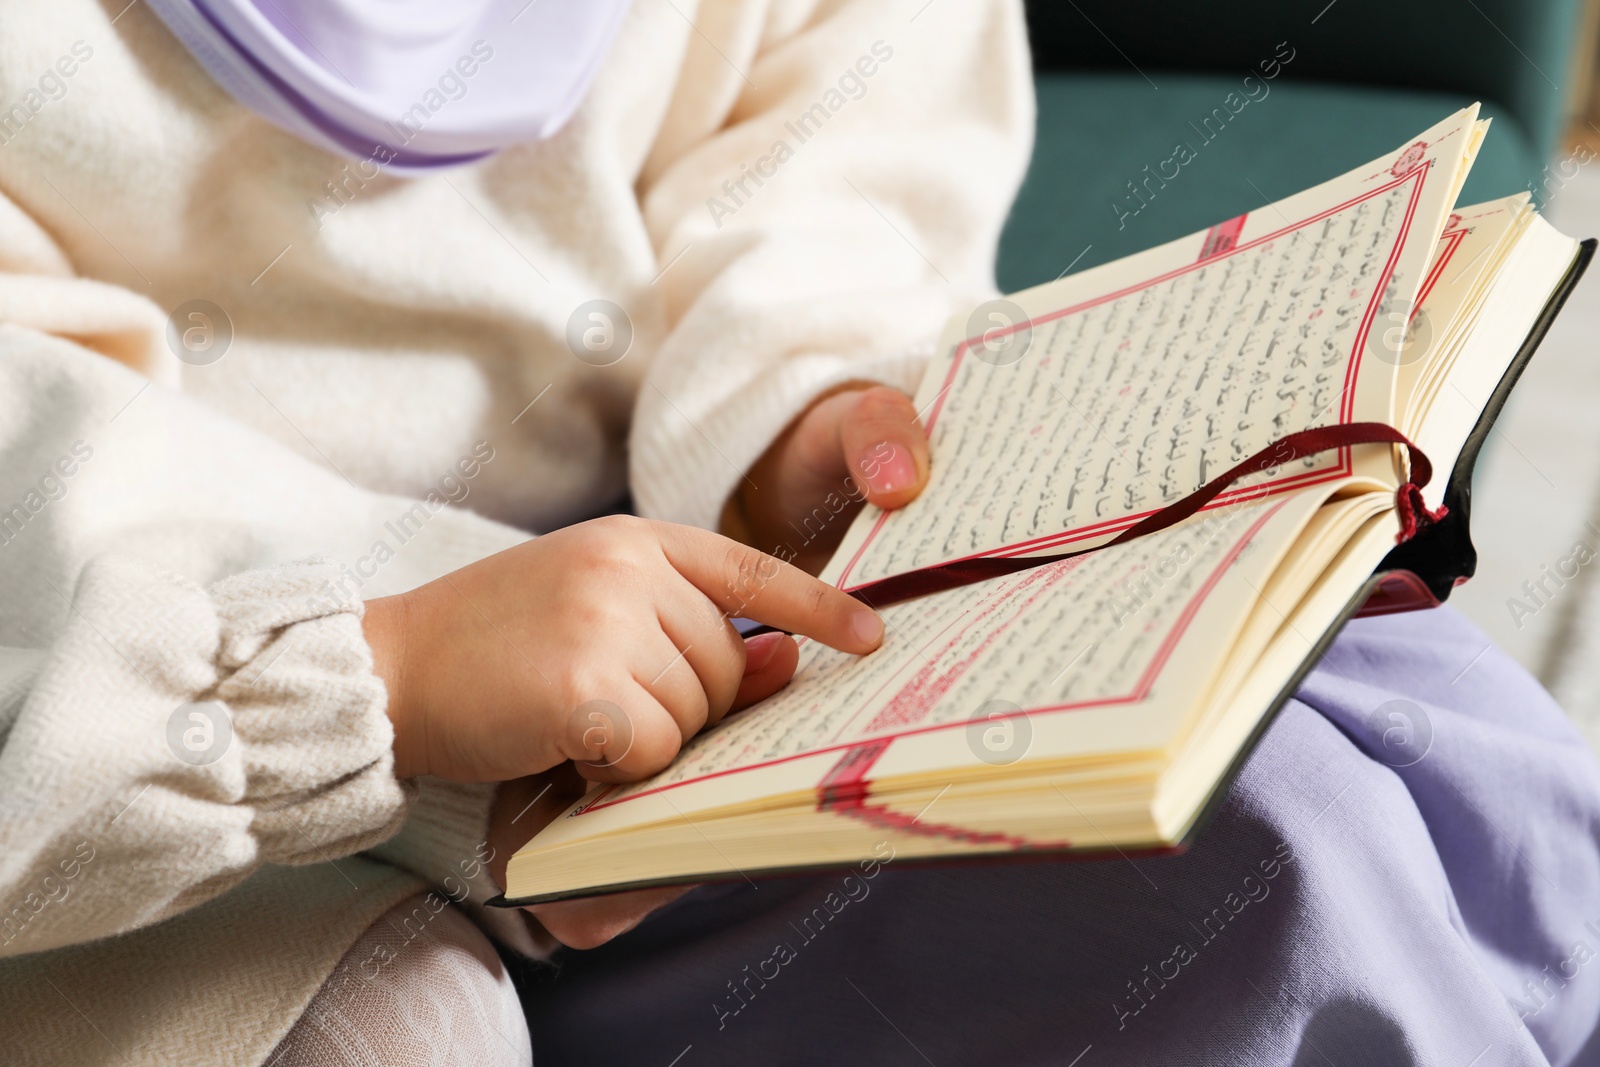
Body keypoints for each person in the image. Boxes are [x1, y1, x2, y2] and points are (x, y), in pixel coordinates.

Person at [2, 2, 1598, 1065]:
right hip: (196, 714)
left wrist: (802, 427)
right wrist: (398, 654)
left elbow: (831, 159)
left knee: (1365, 722)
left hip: (683, 648)